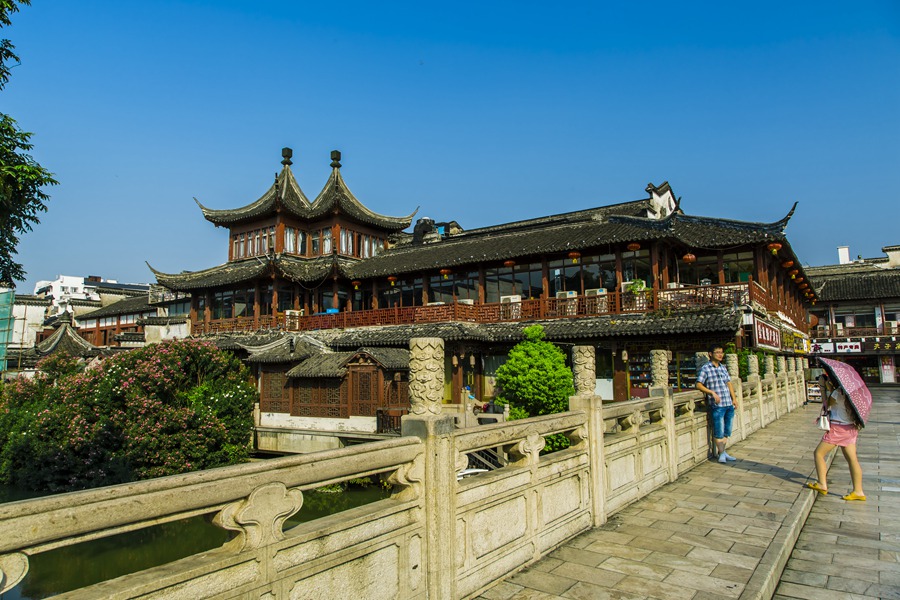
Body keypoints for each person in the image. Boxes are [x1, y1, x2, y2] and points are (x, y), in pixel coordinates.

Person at [807, 371, 866, 501]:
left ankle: (822, 484)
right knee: (852, 460)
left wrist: (822, 387)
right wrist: (829, 386)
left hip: (838, 429)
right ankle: (858, 491)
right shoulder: (851, 393)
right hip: (850, 428)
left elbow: (826, 405)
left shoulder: (837, 392)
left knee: (818, 454)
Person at [695, 344, 739, 463]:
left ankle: (723, 452)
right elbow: (698, 384)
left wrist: (734, 399)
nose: (720, 355)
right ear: (710, 354)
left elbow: (728, 383)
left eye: (721, 352)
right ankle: (722, 453)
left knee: (727, 430)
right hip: (717, 405)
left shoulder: (723, 367)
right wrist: (711, 393)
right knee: (719, 430)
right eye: (717, 352)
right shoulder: (706, 368)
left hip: (728, 403)